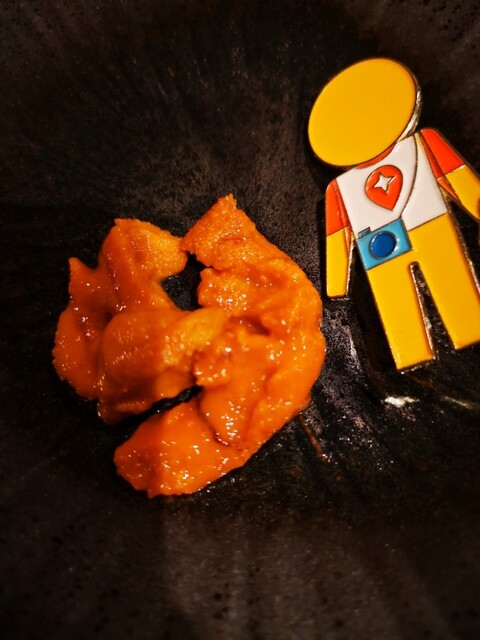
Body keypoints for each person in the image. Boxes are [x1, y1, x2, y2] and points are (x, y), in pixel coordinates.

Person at [308, 58, 480, 370]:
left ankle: (469, 325)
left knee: (455, 288)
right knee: (396, 307)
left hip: (431, 225)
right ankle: (411, 350)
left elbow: (457, 178)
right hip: (378, 245)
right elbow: (337, 235)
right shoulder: (339, 188)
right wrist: (336, 285)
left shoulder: (424, 142)